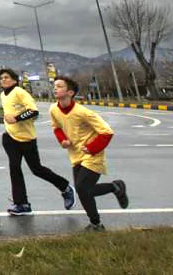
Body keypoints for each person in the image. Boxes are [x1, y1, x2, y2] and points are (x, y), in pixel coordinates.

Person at [50, 76, 129, 231]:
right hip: (75, 156)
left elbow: (107, 132)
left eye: (59, 86)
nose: (55, 89)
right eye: (55, 86)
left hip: (93, 155)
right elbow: (56, 127)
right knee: (83, 191)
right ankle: (113, 192)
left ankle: (97, 222)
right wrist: (62, 140)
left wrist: (92, 147)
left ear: (70, 92)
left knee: (82, 188)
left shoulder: (83, 112)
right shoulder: (54, 109)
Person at [0, 68, 75, 216]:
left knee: (37, 169)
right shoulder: (2, 95)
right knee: (14, 169)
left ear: (14, 80)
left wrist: (16, 118)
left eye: (6, 77)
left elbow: (33, 111)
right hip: (10, 137)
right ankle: (22, 204)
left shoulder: (20, 92)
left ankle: (65, 187)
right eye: (1, 78)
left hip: (27, 139)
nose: (3, 80)